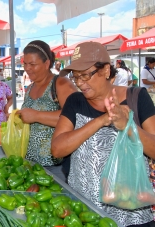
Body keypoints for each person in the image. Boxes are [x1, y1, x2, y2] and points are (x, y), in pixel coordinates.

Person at [51, 41, 155, 226]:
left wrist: (128, 126)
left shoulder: (137, 97)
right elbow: (57, 149)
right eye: (76, 77)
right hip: (84, 214)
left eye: (85, 75)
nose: (80, 83)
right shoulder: (75, 101)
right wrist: (101, 121)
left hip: (131, 215)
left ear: (106, 70)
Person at [17, 40, 77, 175]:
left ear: (46, 63)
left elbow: (76, 116)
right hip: (31, 165)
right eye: (25, 63)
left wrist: (36, 116)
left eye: (32, 64)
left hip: (55, 167)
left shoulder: (61, 84)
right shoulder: (31, 87)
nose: (27, 68)